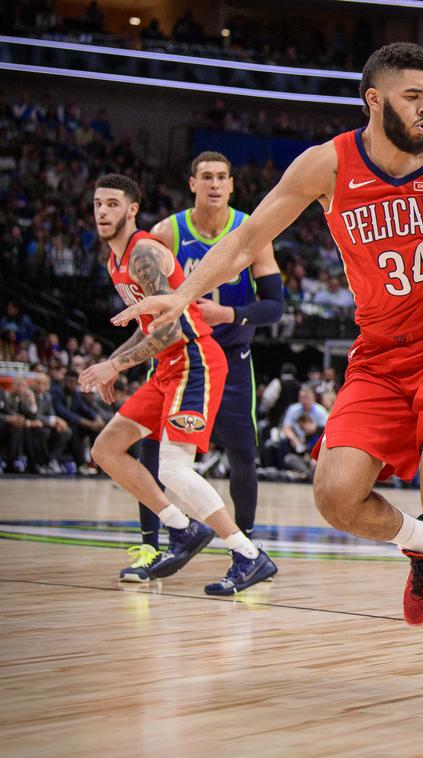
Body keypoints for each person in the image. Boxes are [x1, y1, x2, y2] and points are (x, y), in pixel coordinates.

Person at [111, 44, 423, 707]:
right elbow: (245, 238)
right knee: (335, 496)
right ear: (374, 99)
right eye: (414, 96)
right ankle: (419, 544)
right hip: (377, 354)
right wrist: (182, 296)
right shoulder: (327, 165)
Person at [81, 174, 276, 593]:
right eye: (98, 203)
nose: (102, 211)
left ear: (132, 210)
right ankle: (181, 528)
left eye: (113, 204)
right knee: (106, 448)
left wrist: (116, 368)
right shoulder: (113, 261)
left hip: (195, 360)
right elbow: (152, 325)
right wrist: (113, 361)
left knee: (173, 468)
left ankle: (247, 554)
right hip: (168, 367)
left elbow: (170, 331)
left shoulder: (144, 254)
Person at [128, 150, 284, 581]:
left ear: (232, 184)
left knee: (242, 453)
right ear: (192, 183)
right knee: (151, 450)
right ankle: (151, 546)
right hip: (179, 357)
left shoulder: (251, 231)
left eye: (222, 177)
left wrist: (229, 316)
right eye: (206, 177)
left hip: (232, 357)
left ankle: (247, 547)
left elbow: (275, 306)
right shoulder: (168, 233)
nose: (215, 184)